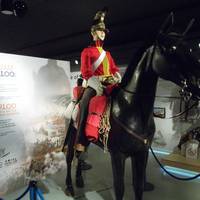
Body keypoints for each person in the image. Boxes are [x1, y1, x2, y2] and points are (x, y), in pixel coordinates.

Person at [75, 8, 121, 156]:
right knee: (85, 104)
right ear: (93, 33)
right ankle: (81, 140)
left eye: (104, 32)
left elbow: (113, 68)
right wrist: (99, 79)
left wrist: (117, 75)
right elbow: (86, 72)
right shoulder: (86, 52)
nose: (103, 34)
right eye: (100, 31)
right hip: (94, 83)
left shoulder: (107, 54)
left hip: (109, 83)